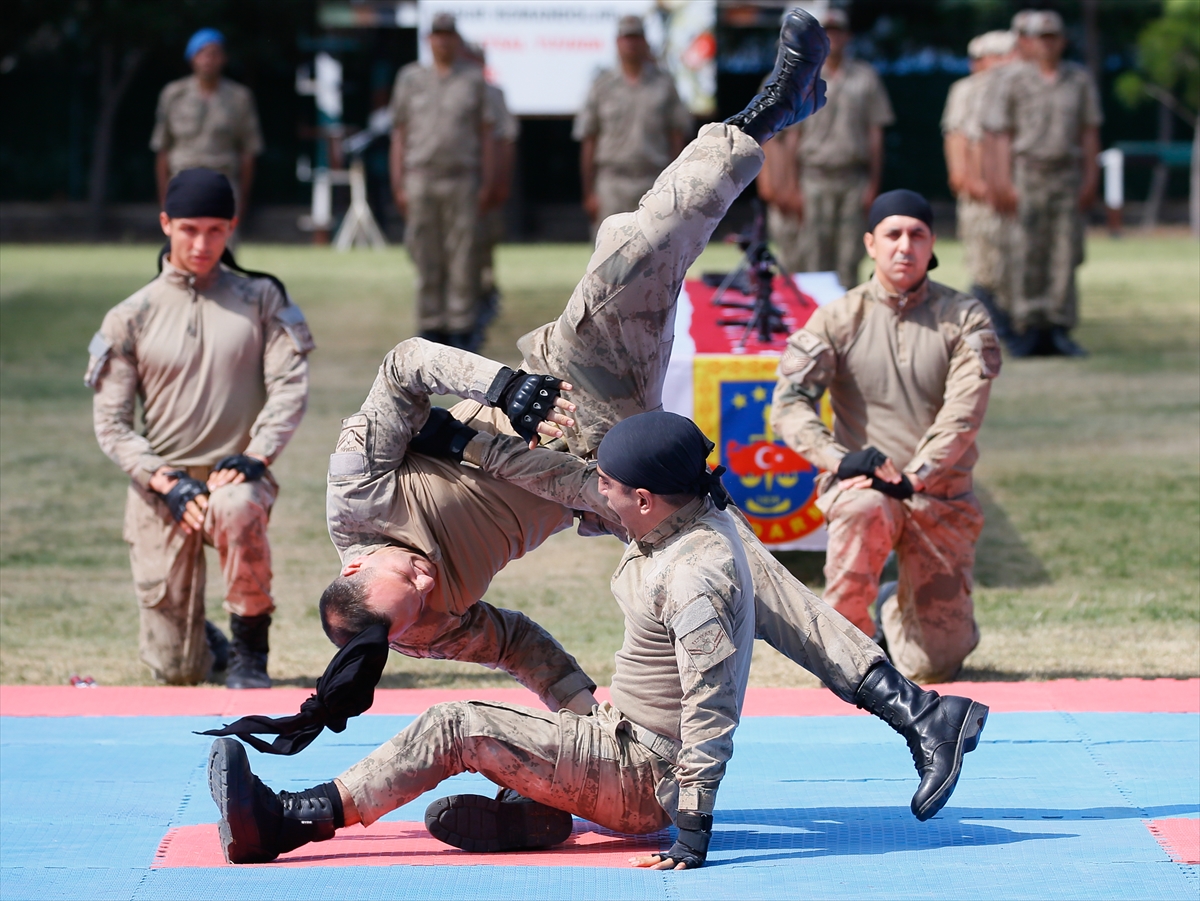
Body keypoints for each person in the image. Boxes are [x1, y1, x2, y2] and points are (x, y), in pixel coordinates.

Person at [205, 11, 987, 858]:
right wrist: (588, 732)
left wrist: (503, 387)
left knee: (631, 244)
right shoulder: (420, 618)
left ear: (358, 561)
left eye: (413, 574)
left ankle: (768, 110)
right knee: (738, 564)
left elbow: (404, 367)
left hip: (562, 396)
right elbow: (518, 643)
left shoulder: (357, 494)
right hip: (609, 483)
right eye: (424, 601)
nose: (431, 581)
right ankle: (917, 709)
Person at [209, 410, 766, 869]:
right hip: (623, 741)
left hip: (645, 776)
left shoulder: (695, 576)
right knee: (531, 696)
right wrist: (457, 438)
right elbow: (519, 634)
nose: (590, 492)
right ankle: (534, 808)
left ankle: (287, 822)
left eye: (606, 486)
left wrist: (692, 830)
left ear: (644, 499)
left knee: (458, 725)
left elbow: (710, 707)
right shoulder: (678, 525)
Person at [87, 169, 312, 688]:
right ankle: (206, 641)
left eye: (215, 230)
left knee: (235, 508)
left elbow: (289, 387)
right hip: (161, 488)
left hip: (235, 476)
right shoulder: (130, 316)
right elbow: (113, 424)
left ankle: (250, 653)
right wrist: (164, 482)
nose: (202, 243)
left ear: (231, 227)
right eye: (189, 228)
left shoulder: (261, 299)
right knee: (175, 671)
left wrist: (256, 457)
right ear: (166, 224)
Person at [771, 189, 1001, 683]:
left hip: (939, 494)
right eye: (892, 234)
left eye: (917, 234)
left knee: (936, 666)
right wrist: (838, 460)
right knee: (861, 510)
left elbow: (963, 414)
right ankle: (851, 651)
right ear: (871, 243)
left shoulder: (966, 319)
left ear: (933, 243)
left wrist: (918, 476)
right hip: (865, 489)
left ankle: (900, 612)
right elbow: (789, 404)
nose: (905, 246)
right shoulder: (837, 318)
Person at [981, 10, 1102, 358]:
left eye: (1053, 37)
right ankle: (1027, 324)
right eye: (1039, 37)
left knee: (1066, 252)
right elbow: (999, 134)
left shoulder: (1078, 80)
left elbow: (1089, 132)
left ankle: (1059, 325)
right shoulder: (1011, 79)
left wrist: (1091, 178)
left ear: (1062, 41)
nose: (1047, 44)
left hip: (1065, 173)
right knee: (1025, 250)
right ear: (1027, 42)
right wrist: (1001, 180)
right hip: (1027, 172)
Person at [758, 7, 894, 290]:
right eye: (826, 32)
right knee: (811, 257)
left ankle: (847, 324)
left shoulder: (865, 77)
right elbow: (790, 139)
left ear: (848, 36)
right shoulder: (803, 77)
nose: (833, 38)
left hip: (853, 177)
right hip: (813, 177)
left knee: (849, 257)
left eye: (837, 31)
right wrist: (790, 186)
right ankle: (813, 322)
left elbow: (875, 133)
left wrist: (873, 184)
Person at [389, 13, 495, 348]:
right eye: (437, 35)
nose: (443, 41)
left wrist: (488, 181)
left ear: (457, 40)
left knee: (463, 254)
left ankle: (461, 327)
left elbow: (487, 134)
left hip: (462, 178)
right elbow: (400, 134)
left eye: (449, 35)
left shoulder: (473, 79)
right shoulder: (410, 78)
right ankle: (430, 324)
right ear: (428, 40)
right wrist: (398, 181)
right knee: (424, 252)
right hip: (420, 177)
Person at [575, 15, 692, 232]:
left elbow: (676, 137)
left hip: (654, 179)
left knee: (656, 253)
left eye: (636, 37)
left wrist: (676, 186)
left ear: (645, 42)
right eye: (626, 38)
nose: (631, 43)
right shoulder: (602, 86)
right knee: (608, 256)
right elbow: (589, 139)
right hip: (612, 182)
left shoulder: (664, 84)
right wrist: (589, 192)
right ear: (617, 42)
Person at [942, 30, 1017, 338]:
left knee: (1010, 257)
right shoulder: (967, 91)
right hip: (982, 191)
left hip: (1012, 189)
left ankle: (1013, 317)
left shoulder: (1016, 88)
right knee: (984, 257)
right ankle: (989, 317)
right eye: (996, 56)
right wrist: (966, 178)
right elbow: (957, 135)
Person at [151, 29, 263, 220]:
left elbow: (248, 152)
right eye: (202, 53)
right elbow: (162, 149)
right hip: (182, 180)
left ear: (224, 58)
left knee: (222, 245)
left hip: (222, 181)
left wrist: (243, 199)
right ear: (192, 58)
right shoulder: (173, 95)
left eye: (215, 53)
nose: (208, 59)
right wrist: (164, 197)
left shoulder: (239, 98)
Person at [463, 41, 519, 349]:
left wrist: (498, 183)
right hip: (462, 185)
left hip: (484, 187)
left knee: (482, 249)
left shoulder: (492, 94)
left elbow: (505, 140)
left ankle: (482, 303)